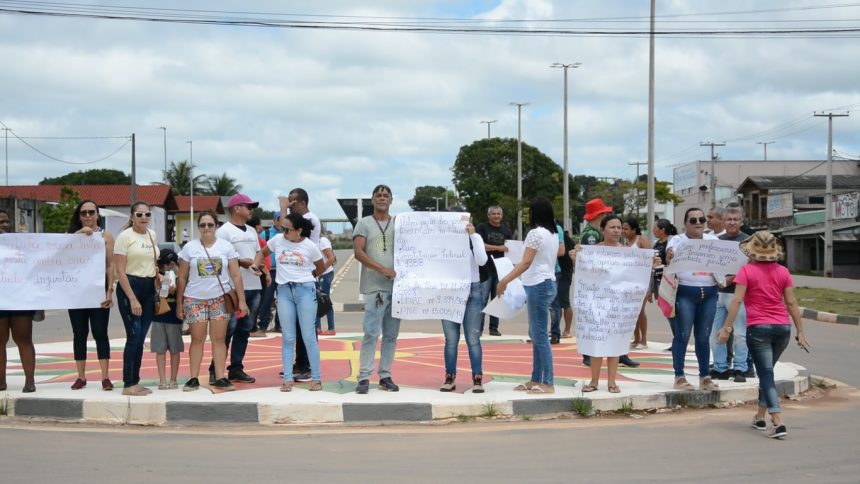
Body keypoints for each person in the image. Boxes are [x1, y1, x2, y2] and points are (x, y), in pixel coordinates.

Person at [717, 231, 809, 438]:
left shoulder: (746, 271)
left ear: (751, 252)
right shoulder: (783, 272)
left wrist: (726, 329)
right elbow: (792, 303)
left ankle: (777, 420)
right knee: (766, 372)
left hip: (758, 329)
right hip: (782, 329)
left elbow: (737, 301)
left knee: (766, 374)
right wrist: (800, 331)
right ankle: (759, 417)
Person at [573, 215, 659, 393]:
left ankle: (612, 381)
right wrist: (575, 256)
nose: (616, 231)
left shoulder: (628, 252)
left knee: (615, 343)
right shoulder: (592, 250)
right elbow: (583, 271)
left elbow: (637, 273)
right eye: (612, 227)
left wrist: (650, 263)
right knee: (596, 344)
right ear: (603, 229)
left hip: (619, 306)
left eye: (619, 228)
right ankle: (594, 381)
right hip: (596, 304)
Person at [497, 197, 563, 394]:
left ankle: (548, 382)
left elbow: (525, 263)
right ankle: (536, 379)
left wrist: (504, 280)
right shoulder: (553, 233)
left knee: (540, 335)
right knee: (536, 334)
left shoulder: (535, 234)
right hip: (547, 283)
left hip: (538, 284)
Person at [254, 212, 326, 392]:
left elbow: (321, 266)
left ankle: (316, 378)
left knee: (309, 336)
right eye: (283, 228)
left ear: (299, 230)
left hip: (305, 291)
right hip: (284, 291)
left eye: (287, 229)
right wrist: (256, 265)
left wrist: (310, 278)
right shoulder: (278, 240)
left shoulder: (310, 246)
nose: (284, 232)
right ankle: (287, 379)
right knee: (288, 337)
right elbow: (262, 253)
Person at [177, 212, 248, 392]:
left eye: (210, 224)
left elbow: (236, 275)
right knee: (197, 339)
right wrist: (179, 303)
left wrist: (242, 300)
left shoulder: (226, 247)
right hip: (194, 299)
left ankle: (220, 377)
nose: (206, 228)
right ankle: (193, 378)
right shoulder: (189, 248)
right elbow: (182, 277)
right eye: (203, 225)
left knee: (218, 339)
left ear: (216, 226)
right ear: (198, 227)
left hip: (219, 299)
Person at [578, 199, 640, 369]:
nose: (616, 230)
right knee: (600, 328)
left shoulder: (619, 245)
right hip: (602, 291)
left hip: (614, 292)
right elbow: (589, 262)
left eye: (619, 227)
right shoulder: (592, 235)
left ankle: (619, 355)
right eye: (605, 213)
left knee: (615, 328)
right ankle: (594, 357)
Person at [353, 184, 402, 394]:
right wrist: (382, 269)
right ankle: (364, 376)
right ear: (372, 200)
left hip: (398, 288)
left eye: (386, 195)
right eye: (378, 195)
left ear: (391, 200)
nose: (382, 198)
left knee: (391, 335)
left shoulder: (399, 224)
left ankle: (385, 375)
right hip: (375, 287)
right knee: (372, 332)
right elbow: (358, 252)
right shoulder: (363, 224)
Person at [666, 208, 720, 392]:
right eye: (693, 219)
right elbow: (669, 255)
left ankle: (705, 376)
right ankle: (679, 376)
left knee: (704, 337)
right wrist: (670, 255)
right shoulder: (678, 241)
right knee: (682, 334)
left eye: (701, 219)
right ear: (685, 223)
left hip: (710, 293)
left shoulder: (714, 241)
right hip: (685, 292)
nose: (698, 222)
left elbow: (725, 262)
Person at [211, 193, 261, 385]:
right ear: (236, 208)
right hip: (231, 288)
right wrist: (242, 262)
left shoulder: (251, 231)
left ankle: (236, 368)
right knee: (226, 329)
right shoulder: (224, 232)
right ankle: (216, 369)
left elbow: (258, 253)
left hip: (253, 285)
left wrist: (257, 265)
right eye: (248, 207)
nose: (251, 210)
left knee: (245, 329)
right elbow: (221, 258)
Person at [66, 200, 115, 391]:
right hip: (76, 292)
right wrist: (78, 235)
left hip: (98, 290)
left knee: (100, 332)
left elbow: (110, 265)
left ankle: (105, 376)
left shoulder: (106, 236)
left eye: (91, 212)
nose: (87, 216)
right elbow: (63, 258)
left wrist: (109, 290)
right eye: (83, 213)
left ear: (98, 214)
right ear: (79, 216)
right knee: (79, 333)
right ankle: (81, 376)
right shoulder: (71, 236)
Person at [114, 201, 159, 396]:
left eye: (147, 214)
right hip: (130, 286)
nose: (143, 218)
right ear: (132, 217)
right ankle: (128, 383)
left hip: (148, 287)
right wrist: (132, 298)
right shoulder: (124, 237)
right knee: (133, 336)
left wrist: (157, 273)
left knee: (141, 338)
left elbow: (151, 261)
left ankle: (136, 381)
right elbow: (120, 271)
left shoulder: (152, 234)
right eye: (139, 215)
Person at [440, 217, 488, 393]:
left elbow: (482, 261)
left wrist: (474, 236)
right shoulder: (442, 242)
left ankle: (477, 377)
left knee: (472, 339)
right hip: (449, 292)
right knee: (451, 340)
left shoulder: (474, 239)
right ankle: (450, 376)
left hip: (472, 290)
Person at [281, 189, 321, 382]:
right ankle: (299, 364)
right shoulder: (292, 228)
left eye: (292, 203)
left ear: (302, 203)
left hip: (305, 281)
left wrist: (283, 209)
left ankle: (307, 367)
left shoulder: (310, 219)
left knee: (307, 330)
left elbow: (318, 263)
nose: (290, 206)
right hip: (290, 285)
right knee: (293, 331)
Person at [710, 204, 751, 381]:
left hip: (739, 295)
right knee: (716, 333)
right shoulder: (716, 242)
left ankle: (741, 368)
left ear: (741, 221)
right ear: (723, 221)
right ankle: (720, 368)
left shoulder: (749, 242)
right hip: (717, 294)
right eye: (729, 219)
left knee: (740, 334)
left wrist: (731, 279)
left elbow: (751, 268)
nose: (732, 222)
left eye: (736, 219)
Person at [0, 208, 37, 393]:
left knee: (23, 339)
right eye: (1, 223)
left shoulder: (20, 243)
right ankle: (1, 381)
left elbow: (35, 265)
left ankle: (30, 380)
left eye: (6, 221)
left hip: (20, 298)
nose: (5, 225)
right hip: (1, 301)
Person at [476, 205, 513, 336]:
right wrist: (498, 248)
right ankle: (478, 328)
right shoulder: (481, 227)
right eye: (493, 214)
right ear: (489, 215)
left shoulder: (506, 230)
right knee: (482, 299)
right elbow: (479, 246)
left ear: (501, 216)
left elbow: (510, 249)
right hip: (485, 270)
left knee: (497, 298)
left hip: (501, 270)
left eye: (498, 214)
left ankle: (493, 328)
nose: (496, 216)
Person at [151, 249, 183, 390]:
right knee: (160, 349)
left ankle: (173, 379)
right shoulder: (156, 275)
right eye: (163, 264)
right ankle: (162, 380)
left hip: (174, 317)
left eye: (168, 264)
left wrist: (177, 272)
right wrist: (158, 278)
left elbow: (184, 288)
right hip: (158, 315)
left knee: (175, 349)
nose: (165, 267)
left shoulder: (180, 275)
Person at [647, 218, 677, 352]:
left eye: (655, 228)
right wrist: (651, 289)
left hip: (670, 282)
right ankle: (676, 338)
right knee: (667, 312)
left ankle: (678, 339)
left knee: (672, 312)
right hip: (659, 281)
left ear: (662, 230)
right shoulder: (656, 244)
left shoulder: (672, 243)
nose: (653, 230)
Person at [624, 217, 652, 350]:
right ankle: (636, 338)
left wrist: (649, 286)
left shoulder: (641, 240)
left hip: (642, 281)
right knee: (632, 311)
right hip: (629, 281)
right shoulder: (626, 243)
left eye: (626, 229)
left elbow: (650, 261)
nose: (624, 231)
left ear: (634, 230)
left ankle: (644, 340)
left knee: (640, 310)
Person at [255, 221, 281, 334]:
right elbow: (259, 250)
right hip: (269, 271)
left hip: (282, 272)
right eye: (278, 219)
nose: (281, 221)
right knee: (266, 299)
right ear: (275, 220)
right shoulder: (265, 234)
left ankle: (280, 325)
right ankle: (263, 325)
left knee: (282, 300)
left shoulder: (288, 234)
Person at [248, 215, 272, 338]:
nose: (262, 227)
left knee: (256, 302)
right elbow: (258, 258)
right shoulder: (254, 238)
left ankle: (251, 327)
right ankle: (252, 328)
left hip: (260, 272)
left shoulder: (254, 237)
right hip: (260, 272)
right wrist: (267, 272)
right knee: (256, 302)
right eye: (260, 224)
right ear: (257, 226)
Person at [548, 221, 570, 344]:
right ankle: (538, 332)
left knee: (554, 305)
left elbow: (561, 251)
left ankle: (555, 333)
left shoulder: (556, 229)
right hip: (537, 272)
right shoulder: (535, 230)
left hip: (553, 270)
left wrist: (542, 253)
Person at [316, 228, 337, 335]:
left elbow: (331, 258)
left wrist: (319, 272)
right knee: (315, 300)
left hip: (325, 274)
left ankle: (331, 327)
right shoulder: (312, 241)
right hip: (317, 275)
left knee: (324, 300)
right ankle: (318, 327)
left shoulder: (322, 241)